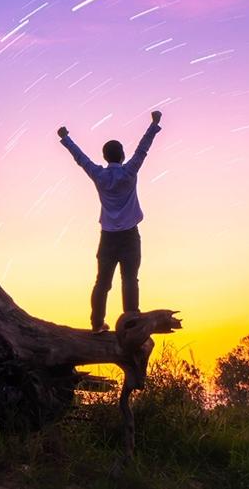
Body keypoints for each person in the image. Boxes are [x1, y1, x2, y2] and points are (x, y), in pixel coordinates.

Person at [57, 111, 163, 334]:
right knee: (130, 279)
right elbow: (142, 149)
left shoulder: (99, 175)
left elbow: (80, 158)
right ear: (122, 155)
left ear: (105, 157)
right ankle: (131, 323)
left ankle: (97, 324)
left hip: (108, 237)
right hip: (130, 236)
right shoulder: (129, 171)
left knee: (102, 283)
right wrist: (154, 124)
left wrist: (66, 138)